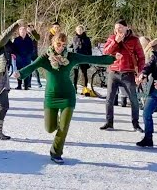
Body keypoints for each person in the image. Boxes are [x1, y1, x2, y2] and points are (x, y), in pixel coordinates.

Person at [15, 33, 119, 163]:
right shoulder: (45, 58)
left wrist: (112, 58)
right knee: (50, 128)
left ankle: (56, 152)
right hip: (51, 97)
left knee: (63, 127)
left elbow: (91, 59)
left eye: (63, 45)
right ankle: (58, 124)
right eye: (58, 44)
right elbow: (32, 66)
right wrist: (20, 74)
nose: (60, 47)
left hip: (68, 97)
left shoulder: (71, 57)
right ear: (53, 43)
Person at [100, 19, 145, 132]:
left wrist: (140, 71)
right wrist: (115, 41)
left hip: (128, 72)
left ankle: (136, 124)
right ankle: (109, 122)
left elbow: (141, 57)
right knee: (109, 99)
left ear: (126, 28)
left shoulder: (134, 40)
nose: (117, 30)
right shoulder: (112, 38)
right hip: (113, 72)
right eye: (115, 28)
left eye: (120, 28)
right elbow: (105, 52)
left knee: (133, 99)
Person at [12, 25, 34, 90]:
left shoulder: (29, 40)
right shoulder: (16, 40)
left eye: (24, 31)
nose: (22, 32)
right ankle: (19, 85)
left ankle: (26, 85)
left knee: (27, 71)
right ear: (19, 32)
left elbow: (32, 49)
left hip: (27, 58)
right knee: (19, 71)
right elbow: (13, 48)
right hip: (19, 58)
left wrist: (29, 55)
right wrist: (15, 55)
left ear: (26, 32)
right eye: (21, 31)